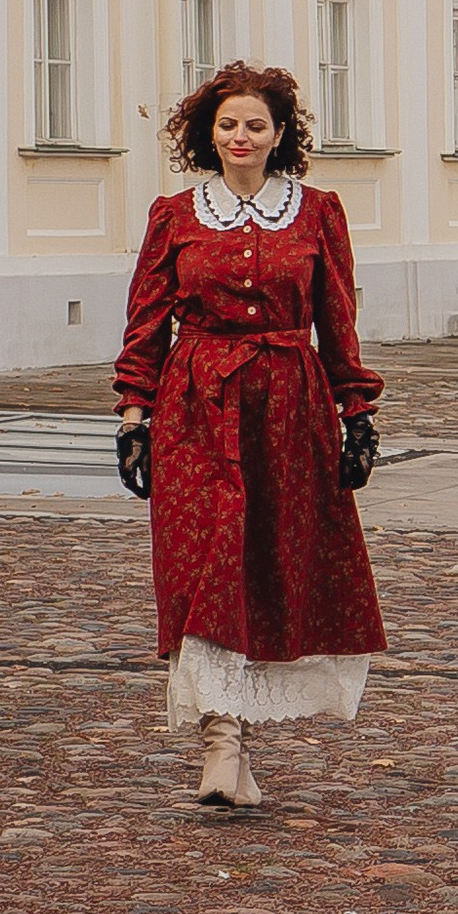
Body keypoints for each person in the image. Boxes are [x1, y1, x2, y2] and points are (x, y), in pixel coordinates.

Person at [113, 59, 387, 809]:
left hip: (289, 410)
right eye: (228, 123)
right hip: (194, 406)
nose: (240, 136)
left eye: (255, 125)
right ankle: (218, 741)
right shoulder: (174, 215)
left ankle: (240, 746)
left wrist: (355, 413)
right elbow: (145, 322)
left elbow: (338, 321)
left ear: (278, 135)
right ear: (209, 132)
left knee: (265, 571)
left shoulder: (316, 212)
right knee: (205, 566)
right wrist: (134, 418)